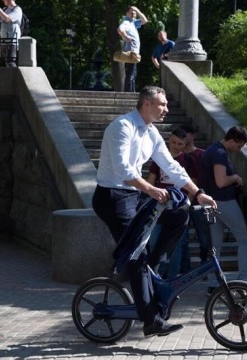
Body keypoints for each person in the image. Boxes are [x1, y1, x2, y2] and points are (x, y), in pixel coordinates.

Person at [91, 86, 216, 337]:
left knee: (180, 214)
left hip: (135, 195)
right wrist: (150, 189)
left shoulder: (151, 133)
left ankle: (154, 267)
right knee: (137, 256)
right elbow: (123, 169)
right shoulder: (122, 127)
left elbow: (171, 166)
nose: (167, 109)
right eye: (162, 104)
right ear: (146, 104)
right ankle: (151, 320)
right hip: (113, 197)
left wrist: (197, 193)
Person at [202, 126, 247, 294]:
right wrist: (236, 178)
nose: (238, 150)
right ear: (231, 141)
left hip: (211, 203)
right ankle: (244, 281)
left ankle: (213, 283)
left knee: (215, 245)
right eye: (239, 146)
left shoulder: (210, 150)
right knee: (244, 239)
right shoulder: (220, 153)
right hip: (224, 201)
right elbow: (221, 182)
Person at [146, 128, 197, 278]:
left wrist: (186, 206)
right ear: (169, 139)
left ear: (185, 144)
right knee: (154, 242)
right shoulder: (159, 159)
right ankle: (156, 275)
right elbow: (151, 180)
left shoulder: (188, 160)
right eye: (173, 142)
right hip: (159, 207)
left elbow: (193, 185)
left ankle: (173, 278)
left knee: (177, 246)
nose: (175, 146)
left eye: (180, 144)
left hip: (178, 209)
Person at [179, 124, 211, 264]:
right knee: (182, 240)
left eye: (187, 134)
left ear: (193, 136)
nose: (184, 138)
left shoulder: (201, 154)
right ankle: (185, 268)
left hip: (199, 202)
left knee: (204, 239)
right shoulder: (176, 156)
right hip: (181, 201)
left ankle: (204, 265)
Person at [117, 5, 148, 92]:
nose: (133, 14)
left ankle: (130, 91)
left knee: (132, 73)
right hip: (130, 52)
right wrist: (125, 36)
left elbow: (145, 20)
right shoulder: (126, 22)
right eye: (131, 13)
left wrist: (137, 10)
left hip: (133, 52)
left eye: (134, 13)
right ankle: (129, 93)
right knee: (131, 73)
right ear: (126, 13)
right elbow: (119, 29)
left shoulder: (133, 22)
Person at [0, 0, 22, 67]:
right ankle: (11, 76)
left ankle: (15, 76)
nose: (3, 1)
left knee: (10, 62)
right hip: (4, 40)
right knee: (7, 62)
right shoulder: (4, 9)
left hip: (13, 41)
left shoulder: (17, 9)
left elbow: (7, 19)